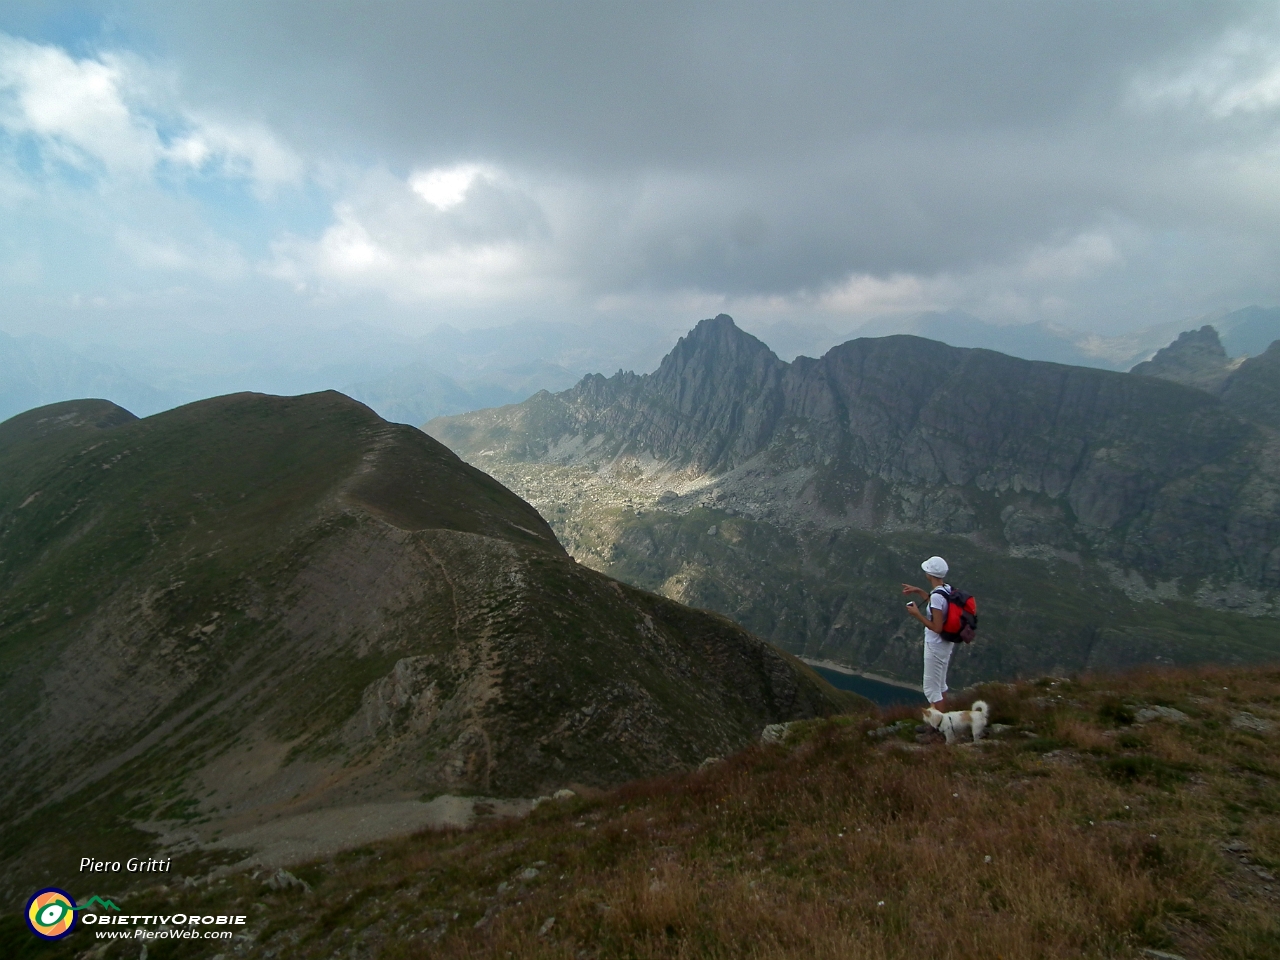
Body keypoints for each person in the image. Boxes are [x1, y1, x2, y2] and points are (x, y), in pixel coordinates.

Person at [901, 555, 963, 711]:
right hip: (946, 644)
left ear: (929, 573)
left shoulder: (937, 596)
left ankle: (938, 726)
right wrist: (920, 591)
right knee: (940, 684)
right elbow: (938, 607)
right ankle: (942, 720)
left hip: (935, 645)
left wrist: (917, 614)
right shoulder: (947, 589)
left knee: (931, 688)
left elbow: (936, 627)